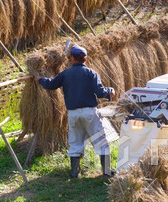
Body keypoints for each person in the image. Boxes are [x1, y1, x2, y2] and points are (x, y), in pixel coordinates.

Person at [37, 45, 115, 179]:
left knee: (75, 142)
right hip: (90, 113)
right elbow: (100, 92)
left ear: (72, 58)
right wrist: (110, 91)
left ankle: (74, 173)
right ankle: (107, 172)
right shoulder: (91, 73)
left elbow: (51, 84)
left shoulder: (65, 74)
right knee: (101, 142)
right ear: (85, 59)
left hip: (73, 114)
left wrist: (40, 79)